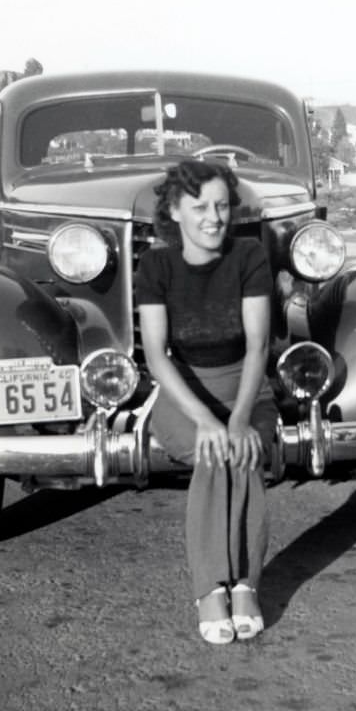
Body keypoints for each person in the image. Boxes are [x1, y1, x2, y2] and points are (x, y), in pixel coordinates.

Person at [135, 159, 278, 645]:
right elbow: (156, 355)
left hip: (246, 385)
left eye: (221, 205)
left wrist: (239, 419)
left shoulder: (249, 255)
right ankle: (210, 588)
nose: (213, 217)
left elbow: (259, 346)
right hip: (184, 390)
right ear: (175, 211)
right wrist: (205, 420)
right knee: (212, 451)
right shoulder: (156, 265)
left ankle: (244, 584)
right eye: (200, 207)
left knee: (244, 449)